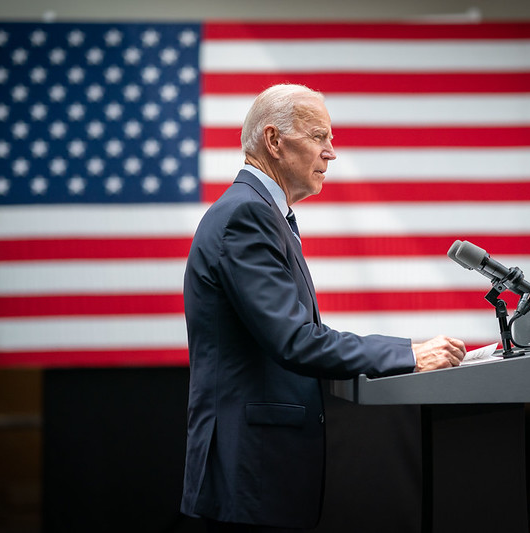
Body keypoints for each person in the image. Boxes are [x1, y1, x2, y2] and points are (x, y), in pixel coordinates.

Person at [181, 84, 467, 532]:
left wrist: (408, 348)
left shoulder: (263, 214)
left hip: (258, 467)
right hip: (249, 469)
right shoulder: (246, 216)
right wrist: (410, 354)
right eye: (319, 137)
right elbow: (295, 341)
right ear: (274, 141)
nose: (330, 153)